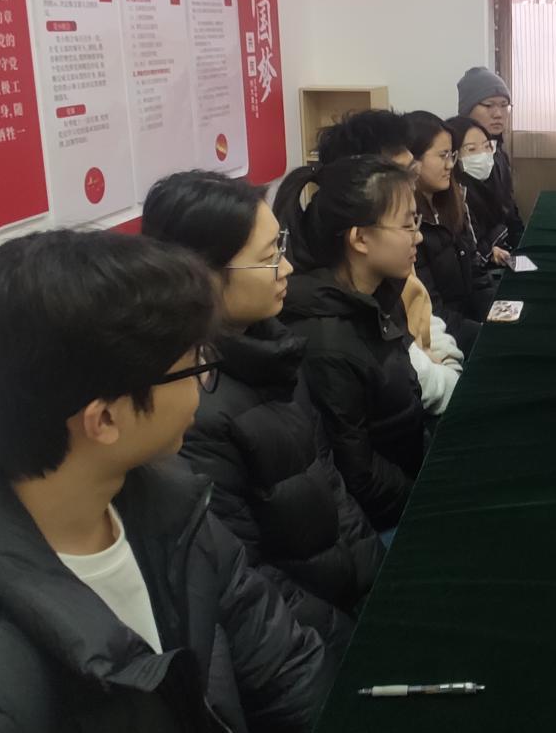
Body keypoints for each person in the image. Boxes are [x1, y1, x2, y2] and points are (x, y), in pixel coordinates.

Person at [0, 230, 323, 731]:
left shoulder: (170, 499)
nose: (203, 381)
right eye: (193, 364)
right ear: (104, 419)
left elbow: (288, 671)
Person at [141, 170, 385, 656]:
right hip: (317, 638)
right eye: (270, 255)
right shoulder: (190, 411)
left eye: (282, 246)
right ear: (202, 276)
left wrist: (383, 580)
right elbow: (253, 586)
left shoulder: (274, 350)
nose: (287, 267)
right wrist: (353, 641)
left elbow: (330, 483)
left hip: (348, 592)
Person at [274, 155, 429, 532]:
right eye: (408, 225)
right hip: (385, 519)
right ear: (359, 238)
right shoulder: (325, 342)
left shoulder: (378, 295)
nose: (418, 236)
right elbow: (360, 476)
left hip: (410, 474)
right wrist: (427, 500)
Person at [316, 110, 466, 412]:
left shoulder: (389, 255)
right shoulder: (354, 278)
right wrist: (432, 369)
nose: (410, 185)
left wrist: (446, 362)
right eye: (402, 175)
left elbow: (426, 316)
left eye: (411, 173)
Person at [404, 111, 496, 354]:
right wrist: (485, 336)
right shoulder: (409, 227)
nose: (450, 165)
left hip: (469, 323)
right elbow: (431, 312)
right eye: (442, 155)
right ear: (412, 160)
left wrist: (500, 311)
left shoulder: (453, 203)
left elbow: (477, 277)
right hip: (445, 340)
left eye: (452, 155)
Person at [457, 66, 524, 247]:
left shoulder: (499, 152)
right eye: (488, 105)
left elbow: (509, 209)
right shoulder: (457, 158)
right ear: (467, 109)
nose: (498, 114)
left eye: (504, 105)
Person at [447, 114, 513, 268]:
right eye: (471, 149)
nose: (483, 154)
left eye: (487, 146)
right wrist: (490, 249)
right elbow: (472, 250)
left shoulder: (492, 180)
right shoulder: (458, 194)